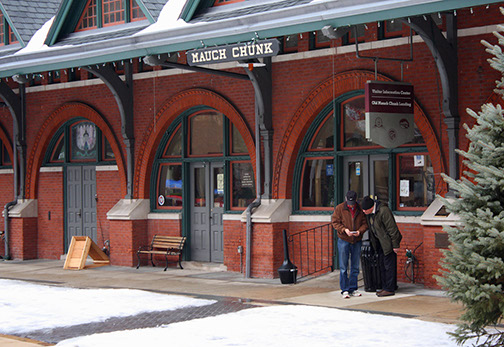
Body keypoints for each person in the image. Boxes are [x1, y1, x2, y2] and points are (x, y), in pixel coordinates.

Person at [361, 196, 402, 297]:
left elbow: (392, 229)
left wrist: (395, 245)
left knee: (389, 266)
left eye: (365, 210)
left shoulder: (384, 211)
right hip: (379, 243)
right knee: (382, 265)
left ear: (371, 207)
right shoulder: (369, 214)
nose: (364, 211)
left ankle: (389, 288)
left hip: (388, 243)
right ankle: (385, 286)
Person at [331, 191, 368, 299]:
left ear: (356, 200)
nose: (351, 205)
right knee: (343, 267)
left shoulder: (360, 209)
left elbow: (365, 223)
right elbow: (335, 222)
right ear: (346, 199)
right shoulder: (339, 208)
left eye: (352, 202)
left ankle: (353, 288)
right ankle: (344, 290)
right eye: (349, 202)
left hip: (356, 240)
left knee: (355, 266)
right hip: (344, 239)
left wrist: (359, 231)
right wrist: (344, 230)